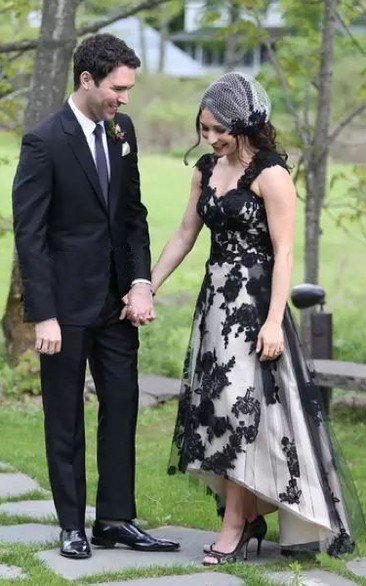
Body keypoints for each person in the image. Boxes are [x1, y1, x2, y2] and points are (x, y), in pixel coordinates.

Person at [144, 72, 363, 565]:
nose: (210, 139)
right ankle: (245, 514)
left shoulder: (272, 175)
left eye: (218, 129)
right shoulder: (204, 170)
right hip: (215, 306)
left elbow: (284, 252)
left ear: (245, 125)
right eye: (203, 129)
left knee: (242, 411)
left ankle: (235, 524)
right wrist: (149, 284)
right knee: (218, 408)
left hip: (255, 307)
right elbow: (184, 233)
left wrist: (271, 322)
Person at [12, 33, 179, 559]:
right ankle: (71, 526)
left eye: (127, 89)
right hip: (63, 310)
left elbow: (133, 214)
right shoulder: (44, 141)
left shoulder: (121, 130)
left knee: (123, 405)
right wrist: (43, 315)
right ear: (86, 80)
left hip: (116, 306)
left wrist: (139, 282)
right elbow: (30, 234)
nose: (123, 99)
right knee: (65, 416)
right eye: (117, 88)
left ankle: (113, 519)